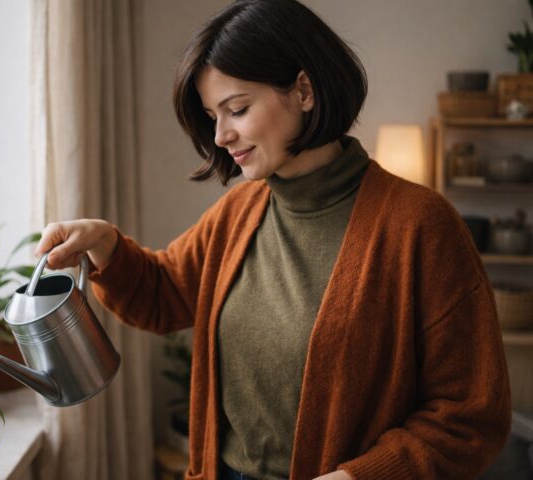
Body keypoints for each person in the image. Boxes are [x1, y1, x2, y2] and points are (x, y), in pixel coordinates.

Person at [35, 1, 511, 479]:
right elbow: (164, 293)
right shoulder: (238, 214)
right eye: (211, 116)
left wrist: (358, 477)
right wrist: (104, 243)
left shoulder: (421, 227)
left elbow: (469, 414)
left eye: (236, 109)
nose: (220, 135)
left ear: (303, 90)